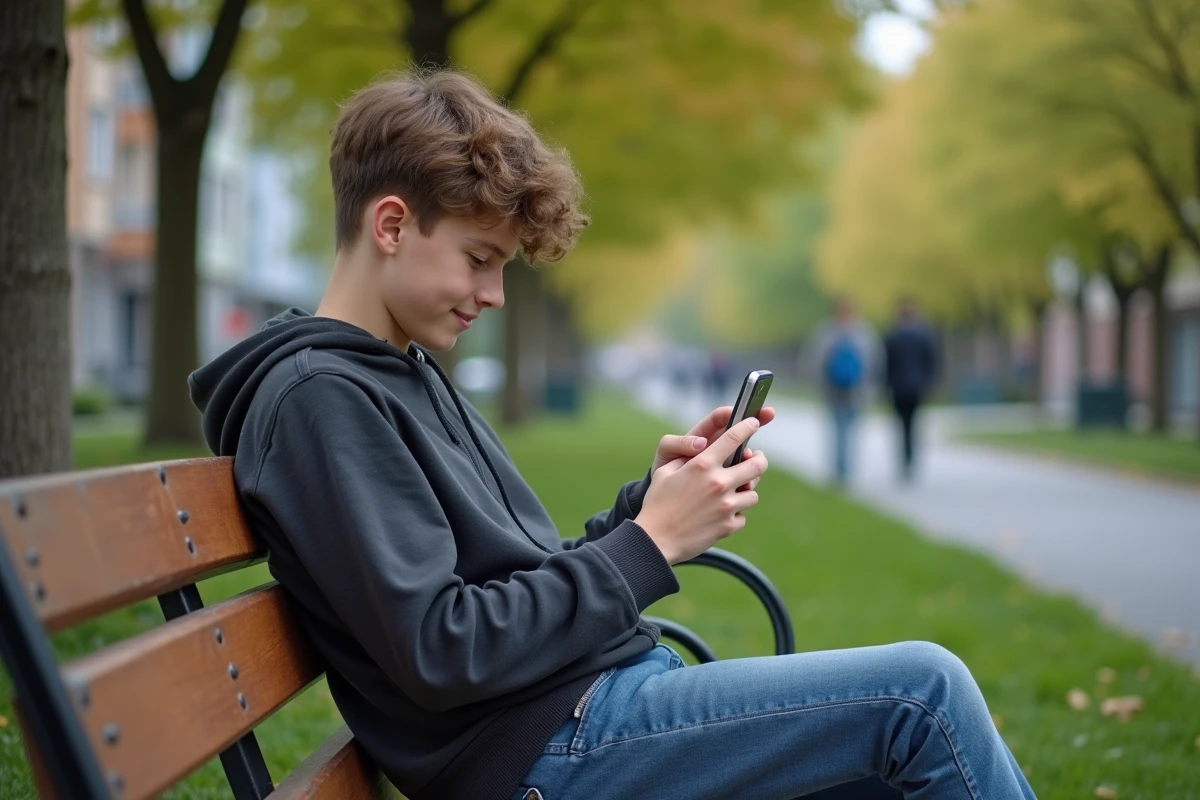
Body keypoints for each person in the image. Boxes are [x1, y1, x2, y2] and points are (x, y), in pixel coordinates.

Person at [189, 69, 1034, 800]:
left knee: (904, 750)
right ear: (392, 226)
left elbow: (513, 581)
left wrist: (646, 507)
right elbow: (445, 649)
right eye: (481, 258)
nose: (495, 295)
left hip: (586, 712)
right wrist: (650, 547)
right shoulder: (320, 401)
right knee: (923, 697)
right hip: (546, 754)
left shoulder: (393, 373)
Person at [813, 297, 874, 486]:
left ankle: (841, 470)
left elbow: (816, 362)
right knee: (848, 430)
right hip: (854, 391)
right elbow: (873, 362)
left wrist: (819, 385)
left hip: (835, 391)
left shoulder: (826, 333)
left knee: (840, 430)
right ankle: (844, 470)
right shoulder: (863, 334)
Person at [883, 298, 940, 481]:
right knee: (911, 425)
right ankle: (910, 460)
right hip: (915, 386)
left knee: (902, 426)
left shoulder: (893, 336)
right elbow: (931, 362)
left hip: (899, 388)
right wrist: (930, 382)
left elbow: (886, 365)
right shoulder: (923, 336)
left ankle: (906, 460)